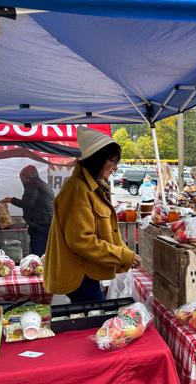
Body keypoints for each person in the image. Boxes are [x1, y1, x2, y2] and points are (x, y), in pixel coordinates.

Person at [44, 126, 141, 304]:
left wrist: (125, 253)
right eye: (112, 161)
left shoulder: (89, 186)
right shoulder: (79, 189)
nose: (115, 167)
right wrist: (121, 255)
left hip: (85, 273)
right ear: (98, 160)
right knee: (97, 323)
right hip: (78, 276)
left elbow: (101, 232)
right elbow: (81, 240)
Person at [0, 165, 54, 256]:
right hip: (47, 223)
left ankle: (39, 269)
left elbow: (27, 204)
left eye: (22, 178)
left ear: (26, 176)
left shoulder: (32, 185)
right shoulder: (42, 184)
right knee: (46, 252)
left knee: (38, 254)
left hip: (40, 225)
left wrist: (11, 200)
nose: (21, 181)